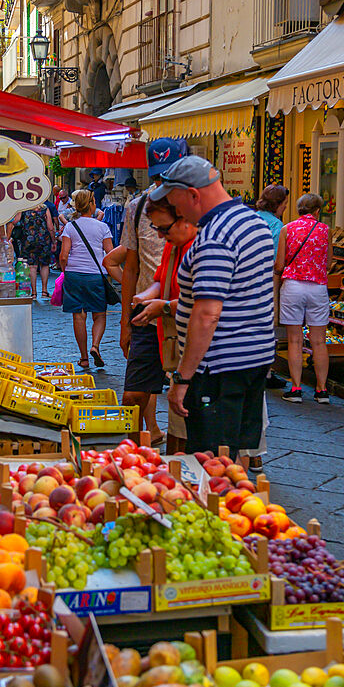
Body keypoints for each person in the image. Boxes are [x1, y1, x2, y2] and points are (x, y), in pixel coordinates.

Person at [150, 155, 275, 465]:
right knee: (231, 457)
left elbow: (207, 314)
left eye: (176, 203)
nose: (177, 211)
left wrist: (183, 378)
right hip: (255, 359)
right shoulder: (254, 222)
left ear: (194, 195)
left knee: (210, 462)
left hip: (219, 369)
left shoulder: (215, 237)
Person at [129, 196, 197, 452]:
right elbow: (161, 279)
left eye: (162, 228)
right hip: (170, 336)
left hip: (196, 343)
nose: (158, 236)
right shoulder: (172, 244)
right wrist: (144, 298)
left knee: (185, 418)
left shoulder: (202, 247)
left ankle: (183, 467)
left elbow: (203, 305)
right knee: (175, 415)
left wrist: (164, 306)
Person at [119, 171, 167, 445]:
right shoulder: (136, 208)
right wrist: (126, 321)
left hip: (187, 319)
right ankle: (133, 454)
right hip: (146, 317)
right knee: (133, 394)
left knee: (186, 400)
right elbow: (130, 267)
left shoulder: (200, 212)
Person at [274, 193, 332, 404]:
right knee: (318, 341)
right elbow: (327, 264)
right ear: (317, 211)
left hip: (293, 287)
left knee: (295, 340)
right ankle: (322, 390)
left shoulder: (286, 229)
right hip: (318, 288)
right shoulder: (325, 231)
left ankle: (296, 388)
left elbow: (279, 265)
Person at [59, 189, 113, 369]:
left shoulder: (70, 226)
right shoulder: (103, 227)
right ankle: (95, 346)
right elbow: (110, 254)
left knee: (79, 317)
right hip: (96, 275)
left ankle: (83, 357)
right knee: (99, 315)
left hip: (74, 275)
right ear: (91, 204)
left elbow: (64, 255)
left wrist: (65, 272)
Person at [256, 183, 290, 394]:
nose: (286, 207)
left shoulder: (252, 217)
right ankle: (266, 370)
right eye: (285, 203)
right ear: (278, 204)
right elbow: (278, 259)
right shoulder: (276, 226)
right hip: (267, 278)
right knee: (268, 323)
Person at [7, 204, 55, 299]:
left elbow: (14, 222)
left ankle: (33, 293)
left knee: (32, 266)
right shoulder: (44, 208)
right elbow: (50, 227)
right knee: (44, 265)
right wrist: (54, 241)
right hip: (43, 240)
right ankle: (44, 291)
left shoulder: (23, 208)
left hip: (28, 240)